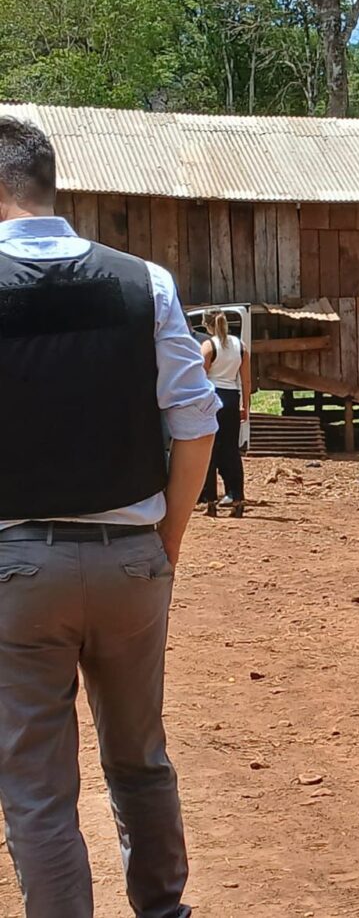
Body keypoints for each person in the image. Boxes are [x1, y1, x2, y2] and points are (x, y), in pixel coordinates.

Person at [0, 116, 217, 918]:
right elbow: (197, 423)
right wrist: (166, 540)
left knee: (36, 787)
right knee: (140, 759)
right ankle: (164, 912)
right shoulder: (145, 281)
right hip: (132, 560)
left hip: (16, 566)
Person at [200, 310, 250, 518]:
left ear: (206, 325)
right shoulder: (240, 346)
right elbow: (246, 380)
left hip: (212, 396)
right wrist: (245, 406)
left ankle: (210, 499)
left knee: (209, 449)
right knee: (231, 449)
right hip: (231, 399)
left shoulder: (208, 346)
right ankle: (237, 496)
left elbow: (200, 376)